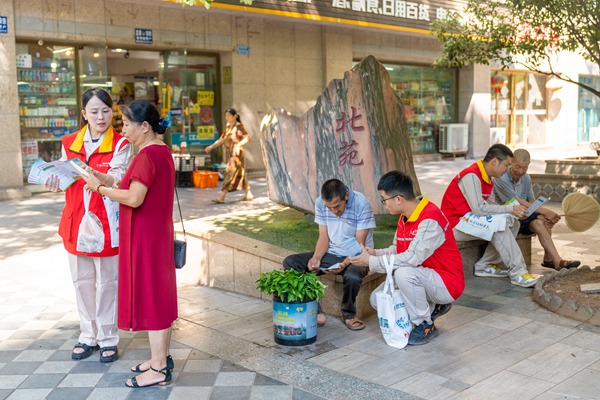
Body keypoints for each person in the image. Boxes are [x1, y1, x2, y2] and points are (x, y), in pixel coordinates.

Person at [85, 101, 177, 388]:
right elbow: (129, 185)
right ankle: (160, 357)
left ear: (144, 126)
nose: (122, 128)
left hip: (146, 237)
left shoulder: (147, 156)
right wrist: (103, 178)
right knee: (157, 294)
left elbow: (135, 198)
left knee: (152, 297)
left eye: (126, 123)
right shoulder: (159, 151)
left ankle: (160, 367)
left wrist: (99, 189)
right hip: (155, 233)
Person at [45, 87, 131, 363]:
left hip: (106, 223)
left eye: (106, 110)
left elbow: (117, 178)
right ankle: (87, 335)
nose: (101, 116)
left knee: (107, 282)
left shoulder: (121, 143)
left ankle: (108, 337)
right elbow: (64, 177)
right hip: (75, 221)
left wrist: (95, 174)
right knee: (81, 281)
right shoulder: (69, 142)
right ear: (84, 114)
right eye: (94, 112)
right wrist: (54, 180)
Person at [350, 171, 464, 345]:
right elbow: (397, 249)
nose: (384, 205)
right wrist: (375, 253)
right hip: (423, 276)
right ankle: (433, 306)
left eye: (384, 199)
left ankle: (425, 324)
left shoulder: (430, 218)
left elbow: (411, 259)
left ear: (398, 199)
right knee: (377, 299)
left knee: (404, 274)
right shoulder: (405, 218)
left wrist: (370, 262)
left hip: (447, 283)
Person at [283, 179, 376, 330]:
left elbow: (359, 245)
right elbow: (324, 235)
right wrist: (317, 258)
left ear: (346, 195)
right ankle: (315, 309)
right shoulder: (320, 202)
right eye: (329, 207)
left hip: (359, 255)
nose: (334, 211)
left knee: (352, 275)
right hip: (333, 253)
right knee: (291, 262)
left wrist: (344, 264)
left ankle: (349, 315)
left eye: (337, 206)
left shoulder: (361, 204)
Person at [441, 144, 539, 288]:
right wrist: (511, 208)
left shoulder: (488, 179)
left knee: (513, 223)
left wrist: (514, 213)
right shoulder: (472, 175)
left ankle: (484, 265)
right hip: (454, 225)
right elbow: (479, 209)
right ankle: (518, 273)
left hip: (469, 222)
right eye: (506, 165)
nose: (507, 169)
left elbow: (493, 208)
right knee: (498, 228)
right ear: (494, 161)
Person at [493, 149, 580, 270]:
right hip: (509, 218)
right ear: (511, 162)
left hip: (524, 216)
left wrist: (542, 212)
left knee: (541, 221)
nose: (521, 171)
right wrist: (545, 212)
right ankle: (553, 260)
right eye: (517, 167)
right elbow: (517, 201)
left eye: (525, 168)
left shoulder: (526, 178)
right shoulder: (501, 178)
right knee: (542, 217)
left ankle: (553, 259)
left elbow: (531, 201)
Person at [205, 108, 253, 203]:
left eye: (228, 115)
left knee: (229, 173)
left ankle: (222, 196)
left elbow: (248, 137)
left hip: (236, 154)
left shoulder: (239, 126)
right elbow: (221, 140)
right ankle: (248, 194)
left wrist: (238, 145)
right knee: (240, 173)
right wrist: (211, 146)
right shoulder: (228, 127)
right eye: (225, 116)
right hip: (230, 153)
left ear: (235, 116)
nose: (226, 117)